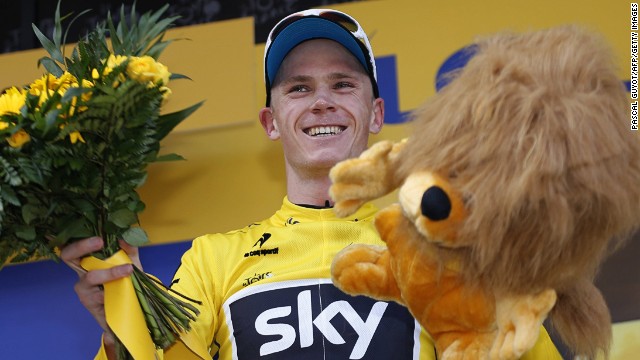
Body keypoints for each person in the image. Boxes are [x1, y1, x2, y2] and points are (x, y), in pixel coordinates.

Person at [61, 8, 562, 360]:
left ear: (375, 114)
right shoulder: (212, 261)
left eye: (342, 84)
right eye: (299, 88)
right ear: (270, 122)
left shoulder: (448, 249)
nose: (322, 101)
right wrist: (119, 316)